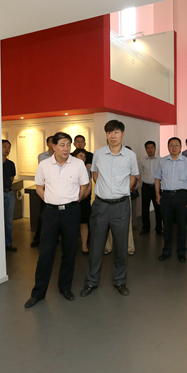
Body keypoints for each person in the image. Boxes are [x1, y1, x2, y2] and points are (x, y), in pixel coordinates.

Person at [24, 132, 90, 308]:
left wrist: (75, 201)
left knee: (69, 251)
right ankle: (38, 293)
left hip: (71, 212)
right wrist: (49, 200)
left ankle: (65, 287)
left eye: (68, 144)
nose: (66, 148)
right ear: (53, 146)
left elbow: (84, 186)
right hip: (50, 213)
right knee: (45, 253)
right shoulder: (44, 165)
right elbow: (39, 187)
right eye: (62, 144)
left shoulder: (78, 164)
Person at [81, 120, 138, 298]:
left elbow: (133, 176)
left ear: (122, 134)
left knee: (121, 247)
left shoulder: (130, 155)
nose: (113, 136)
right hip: (100, 206)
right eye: (109, 133)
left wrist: (122, 191)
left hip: (121, 206)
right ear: (106, 134)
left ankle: (120, 281)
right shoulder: (98, 153)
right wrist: (105, 190)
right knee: (96, 246)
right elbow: (95, 174)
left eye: (116, 132)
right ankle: (91, 281)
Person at [154, 137, 187, 262]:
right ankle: (166, 251)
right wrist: (157, 195)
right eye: (171, 145)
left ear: (180, 147)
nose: (174, 147)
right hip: (166, 196)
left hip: (181, 196)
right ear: (168, 147)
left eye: (176, 145)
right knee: (166, 226)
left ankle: (181, 252)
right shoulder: (162, 161)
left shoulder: (186, 162)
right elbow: (157, 179)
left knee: (182, 226)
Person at [31, 135, 54, 247]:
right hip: (45, 189)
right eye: (51, 141)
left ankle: (54, 238)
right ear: (47, 144)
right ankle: (37, 238)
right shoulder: (42, 156)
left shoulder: (62, 156)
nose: (53, 143)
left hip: (56, 190)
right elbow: (42, 171)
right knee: (43, 215)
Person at [139, 141, 162, 235]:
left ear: (155, 148)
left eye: (152, 147)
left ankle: (159, 228)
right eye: (148, 148)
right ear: (146, 149)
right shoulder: (142, 160)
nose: (150, 149)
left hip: (157, 187)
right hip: (146, 187)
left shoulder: (160, 160)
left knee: (158, 208)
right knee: (145, 208)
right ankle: (145, 228)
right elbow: (141, 172)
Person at [73, 148, 92, 255]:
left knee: (84, 223)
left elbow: (90, 184)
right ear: (74, 157)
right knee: (72, 223)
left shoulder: (87, 170)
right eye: (80, 156)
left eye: (84, 157)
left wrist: (85, 193)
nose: (83, 158)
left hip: (84, 200)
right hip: (72, 200)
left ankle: (84, 245)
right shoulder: (69, 169)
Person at [2, 140, 17, 252]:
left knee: (9, 221)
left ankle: (8, 243)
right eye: (5, 147)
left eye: (9, 147)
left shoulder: (10, 164)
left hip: (8, 193)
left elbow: (11, 179)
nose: (7, 149)